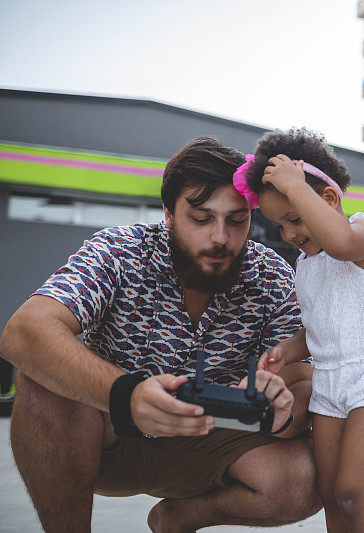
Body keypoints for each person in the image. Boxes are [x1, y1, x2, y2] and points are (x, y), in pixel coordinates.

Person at [0, 137, 322, 532]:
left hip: (217, 440)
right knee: (43, 380)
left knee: (308, 475)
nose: (220, 238)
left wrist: (281, 411)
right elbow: (26, 330)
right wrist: (126, 394)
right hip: (111, 437)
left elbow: (305, 379)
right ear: (168, 214)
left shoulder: (271, 275)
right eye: (201, 219)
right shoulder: (120, 250)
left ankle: (179, 519)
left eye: (236, 221)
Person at [235, 127, 364, 533]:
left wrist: (297, 187)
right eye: (279, 227)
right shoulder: (306, 266)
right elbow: (322, 326)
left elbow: (339, 243)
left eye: (294, 219)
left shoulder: (363, 232)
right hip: (330, 385)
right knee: (332, 494)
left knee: (354, 492)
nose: (289, 235)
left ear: (329, 199)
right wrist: (289, 349)